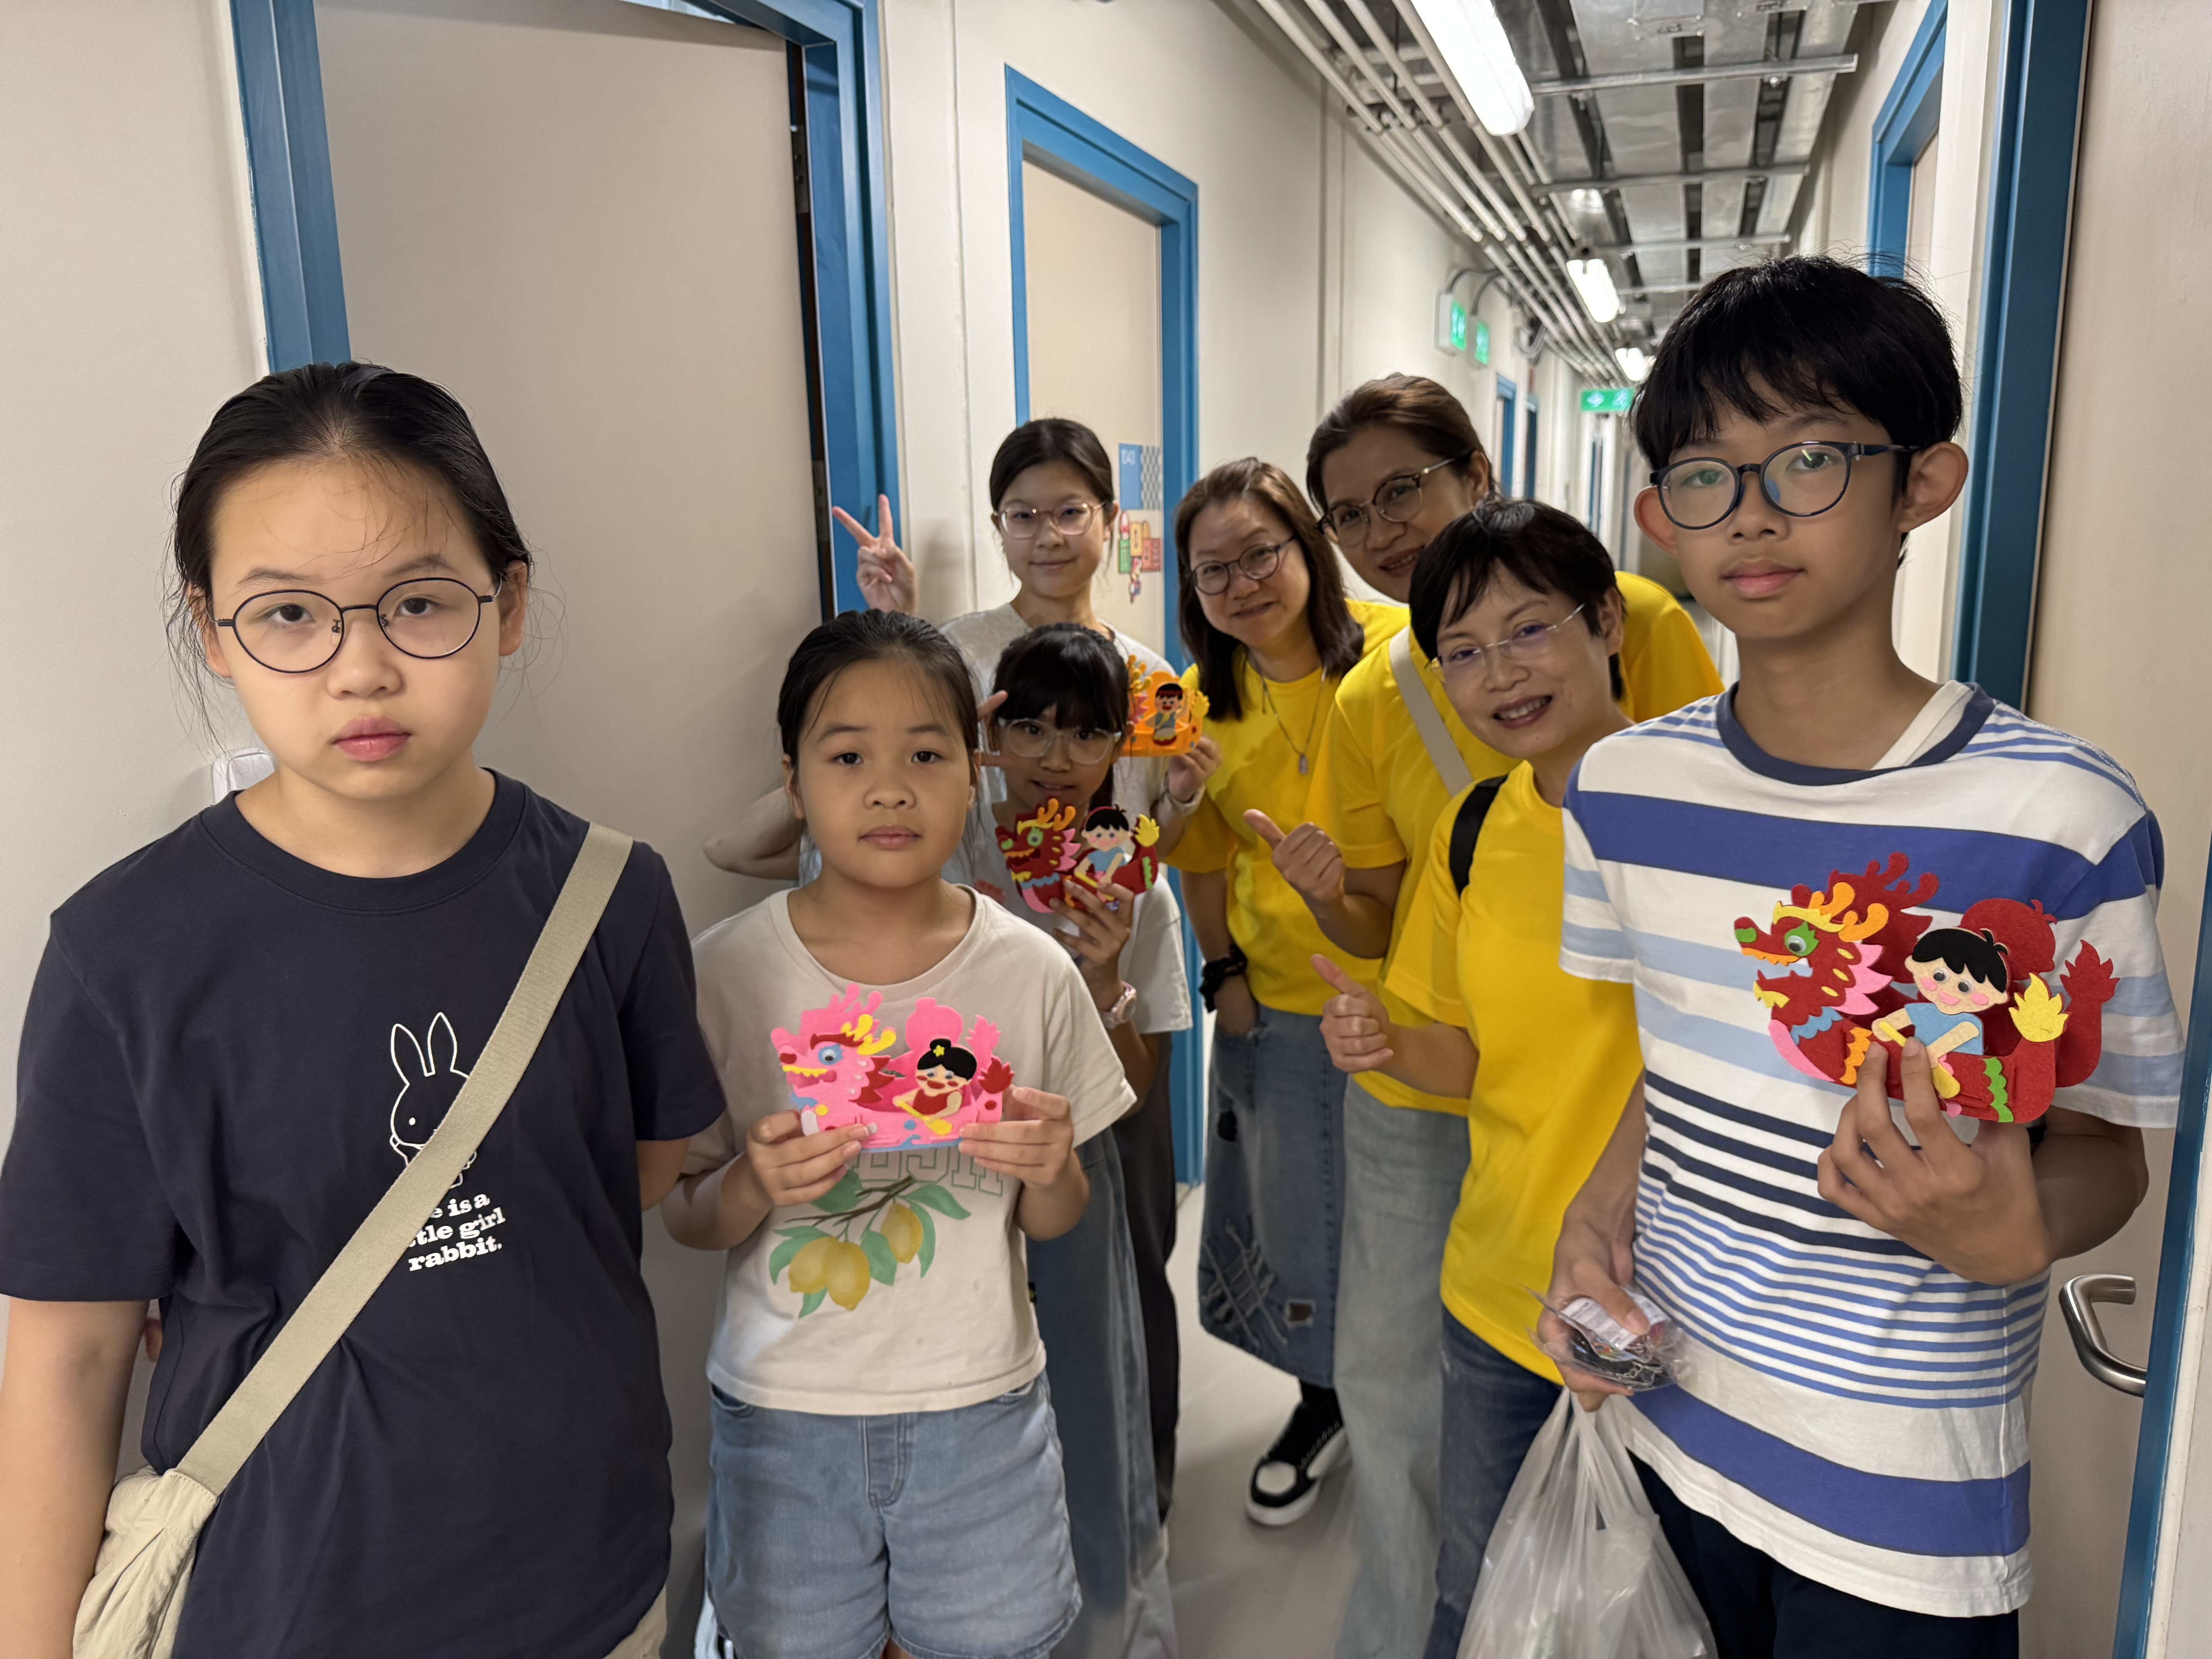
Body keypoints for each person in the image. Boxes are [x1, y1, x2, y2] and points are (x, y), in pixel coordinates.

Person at [0, 363, 724, 1659]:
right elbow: (68, 1357)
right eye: (289, 614)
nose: (362, 669)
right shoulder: (125, 953)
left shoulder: (613, 894)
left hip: (590, 1587)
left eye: (420, 603)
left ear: (508, 604)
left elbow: (634, 1172)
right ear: (213, 628)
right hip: (280, 1605)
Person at [1547, 256, 2184, 1656]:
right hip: (1666, 1424)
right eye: (1706, 474)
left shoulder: (2062, 818)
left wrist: (2023, 1232)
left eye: (1811, 458)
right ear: (1658, 518)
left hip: (1903, 1507)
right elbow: (1684, 1056)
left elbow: (2109, 1150)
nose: (1752, 513)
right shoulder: (1622, 792)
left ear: (1924, 485)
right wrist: (1599, 1205)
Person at [1273, 374, 1720, 1659]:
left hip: (1673, 1282)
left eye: (1530, 633)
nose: (1499, 672)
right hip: (1497, 1266)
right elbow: (1447, 1021)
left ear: (1604, 623)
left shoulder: (1707, 806)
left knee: (1660, 1602)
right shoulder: (1466, 812)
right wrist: (1374, 1018)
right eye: (1462, 651)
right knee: (1477, 1583)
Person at [665, 610, 1133, 1659]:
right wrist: (752, 1182)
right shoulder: (722, 974)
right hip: (783, 1414)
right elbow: (687, 1215)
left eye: (926, 755)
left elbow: (1058, 1218)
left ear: (974, 774)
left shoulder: (1033, 971)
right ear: (793, 784)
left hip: (982, 1407)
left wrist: (1051, 1169)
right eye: (848, 757)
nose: (889, 788)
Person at [943, 621, 1192, 1654]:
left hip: (1072, 1165)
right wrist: (948, 754)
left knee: (1088, 1391)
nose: (1055, 755)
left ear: (1118, 750)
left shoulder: (1135, 889)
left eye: (1086, 733)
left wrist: (1103, 975)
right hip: (944, 1168)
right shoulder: (946, 840)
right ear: (994, 733)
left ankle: (1103, 1605)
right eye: (1031, 727)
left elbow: (1136, 1090)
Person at [1164, 455, 1399, 1526]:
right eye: (1213, 571)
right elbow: (1201, 858)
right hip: (1286, 996)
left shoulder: (1399, 655)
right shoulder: (1201, 706)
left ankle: (1406, 1408)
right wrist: (1225, 977)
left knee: (1406, 1216)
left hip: (1418, 993)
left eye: (1260, 553)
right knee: (1299, 1213)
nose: (1242, 584)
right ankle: (1322, 1402)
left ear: (1309, 544)